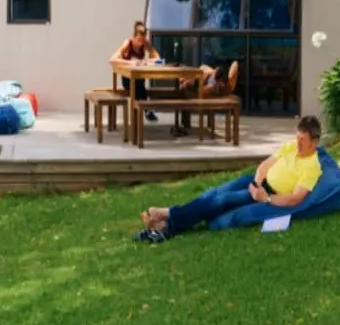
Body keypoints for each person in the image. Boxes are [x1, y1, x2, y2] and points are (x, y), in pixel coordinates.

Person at [134, 115, 323, 243]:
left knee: (221, 201)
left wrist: (264, 197)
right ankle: (165, 223)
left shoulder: (312, 166)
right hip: (257, 182)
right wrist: (257, 183)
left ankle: (167, 220)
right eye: (297, 138)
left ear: (314, 142)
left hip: (270, 194)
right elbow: (265, 164)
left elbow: (296, 198)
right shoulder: (291, 146)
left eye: (302, 141)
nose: (297, 144)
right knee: (215, 193)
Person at [111, 21, 161, 122]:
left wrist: (146, 61)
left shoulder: (144, 43)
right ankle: (145, 109)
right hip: (128, 78)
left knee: (140, 85)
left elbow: (157, 57)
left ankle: (144, 109)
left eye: (142, 40)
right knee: (139, 88)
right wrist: (130, 63)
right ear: (134, 36)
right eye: (138, 40)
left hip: (139, 78)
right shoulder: (127, 44)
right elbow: (112, 59)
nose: (140, 43)